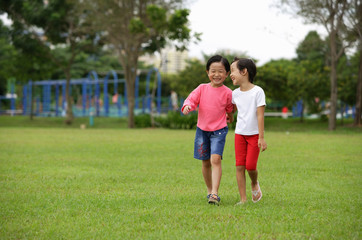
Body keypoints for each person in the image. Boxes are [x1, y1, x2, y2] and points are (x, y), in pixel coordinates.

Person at [182, 55, 234, 205]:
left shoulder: (228, 92)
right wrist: (187, 106)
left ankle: (215, 194)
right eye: (213, 71)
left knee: (215, 159)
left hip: (219, 131)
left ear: (227, 74)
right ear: (207, 72)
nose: (216, 74)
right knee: (205, 162)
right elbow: (192, 99)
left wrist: (230, 116)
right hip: (202, 130)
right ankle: (210, 190)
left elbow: (230, 108)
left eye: (221, 71)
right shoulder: (202, 88)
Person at [230, 57, 267, 205]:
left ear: (244, 71)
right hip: (239, 134)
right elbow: (232, 110)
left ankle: (254, 182)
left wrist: (261, 137)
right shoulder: (234, 93)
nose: (230, 74)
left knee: (250, 166)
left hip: (254, 135)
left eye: (233, 70)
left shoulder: (258, 91)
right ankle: (243, 199)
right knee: (239, 166)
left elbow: (260, 115)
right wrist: (229, 115)